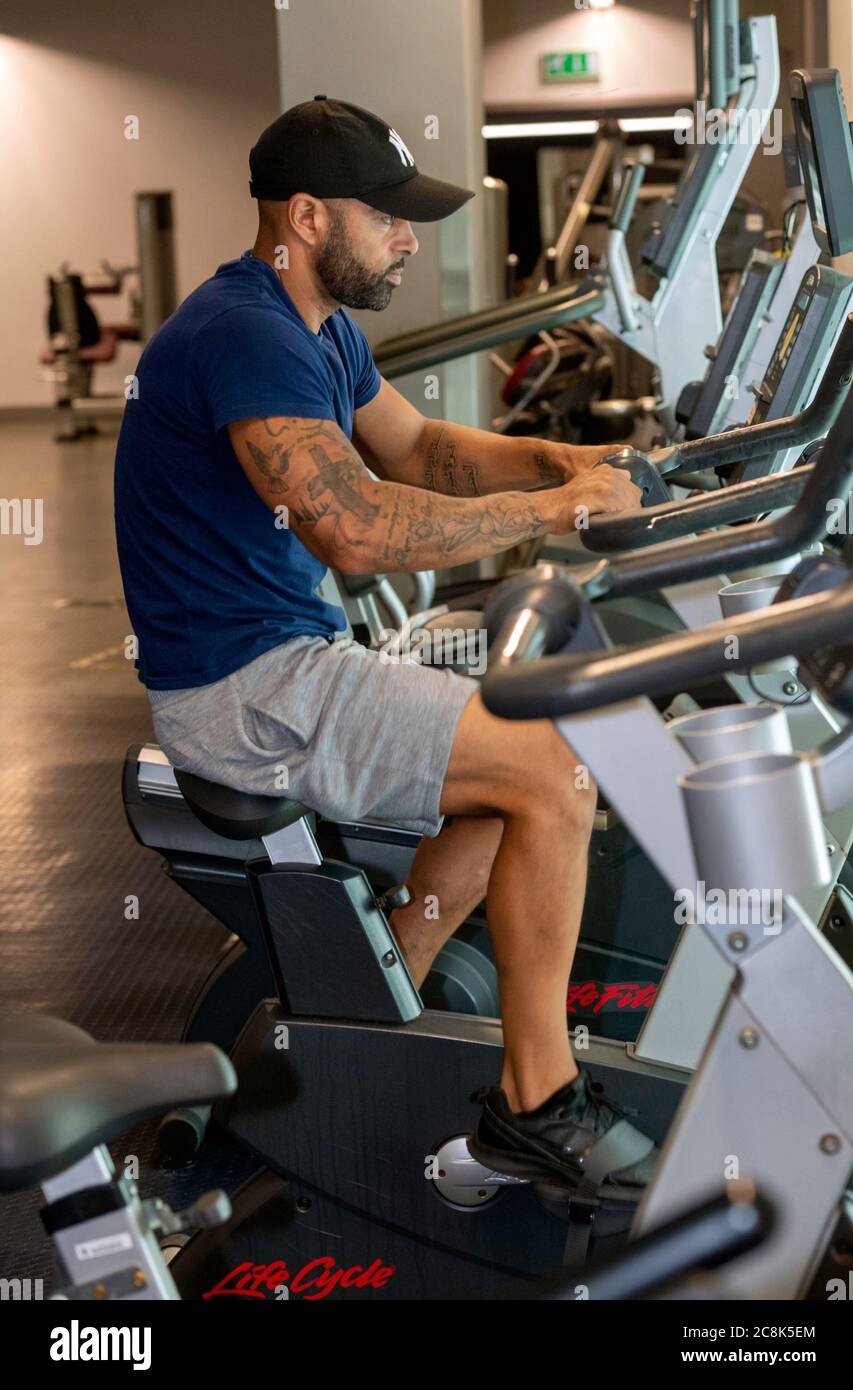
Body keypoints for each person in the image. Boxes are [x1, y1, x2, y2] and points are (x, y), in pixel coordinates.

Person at [114, 96, 654, 1201]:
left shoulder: (317, 327)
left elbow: (421, 449)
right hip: (246, 688)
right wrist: (552, 516)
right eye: (388, 217)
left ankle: (372, 1017)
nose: (410, 238)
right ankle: (535, 1105)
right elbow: (355, 527)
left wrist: (564, 461)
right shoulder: (244, 335)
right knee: (551, 772)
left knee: (518, 759)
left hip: (279, 659)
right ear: (307, 217)